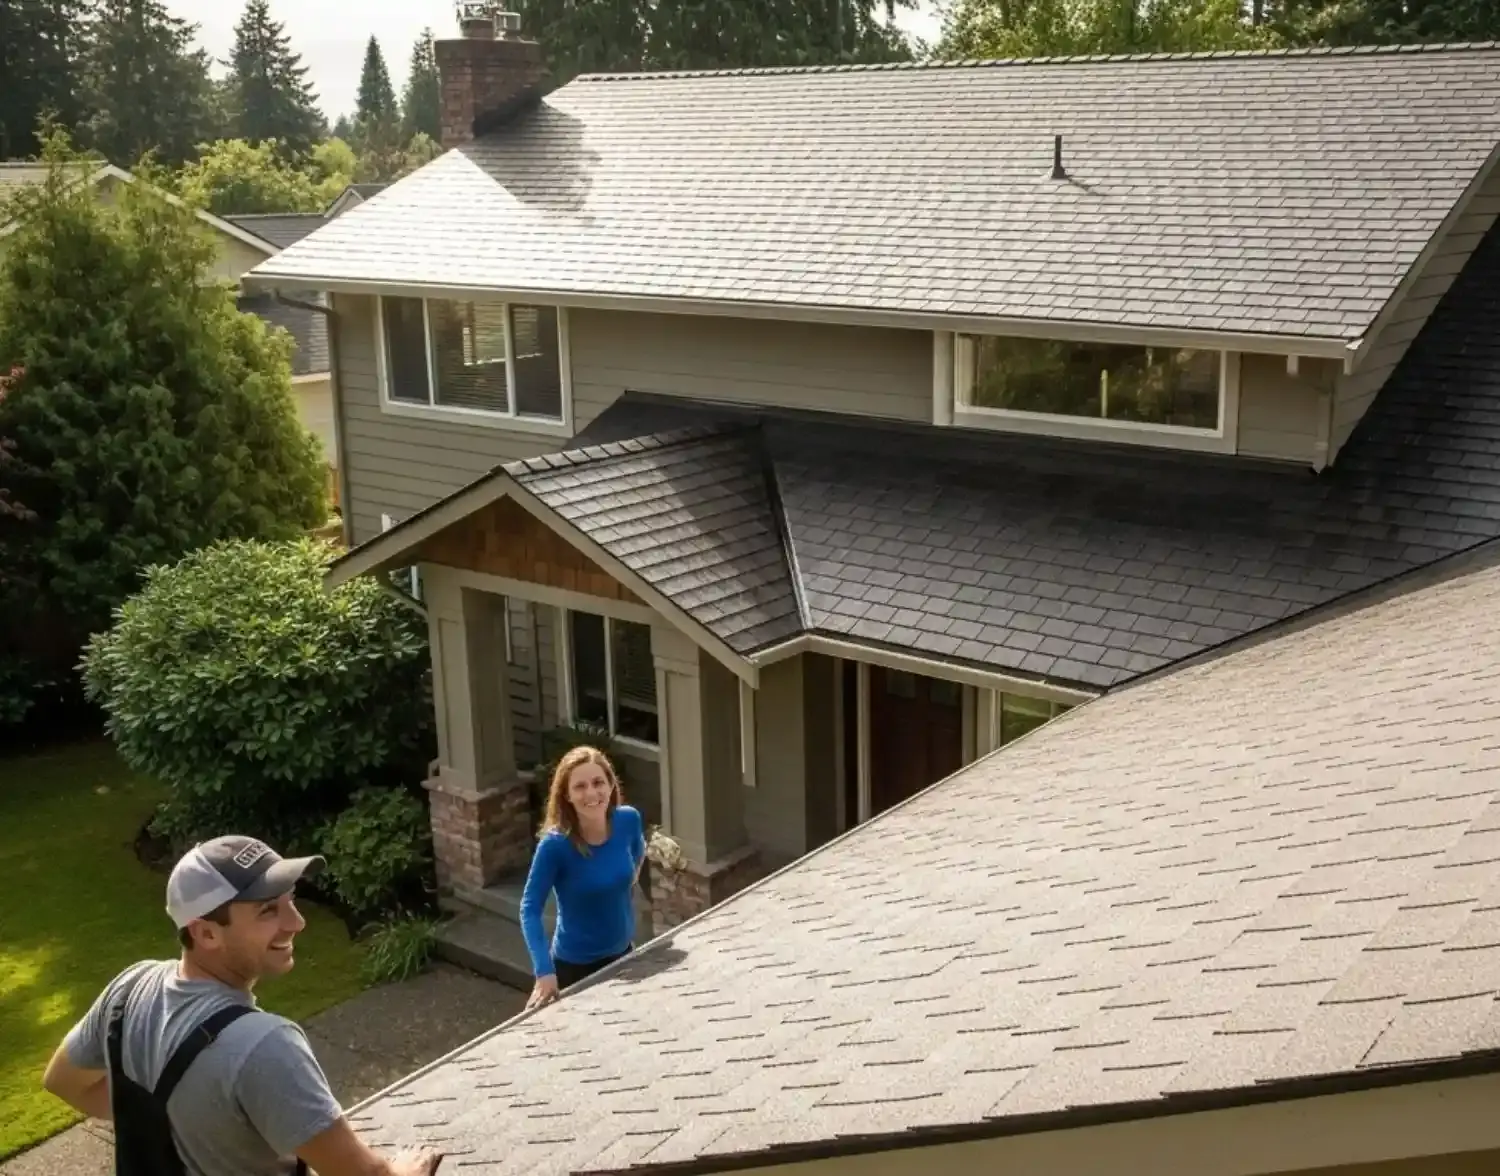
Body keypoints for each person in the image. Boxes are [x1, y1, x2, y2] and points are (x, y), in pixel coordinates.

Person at [41, 834, 443, 1176]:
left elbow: (62, 1081)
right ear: (207, 934)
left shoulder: (129, 989)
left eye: (291, 900)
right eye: (268, 910)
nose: (297, 922)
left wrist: (172, 1123)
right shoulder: (264, 1045)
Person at [521, 746, 646, 1010]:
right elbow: (530, 909)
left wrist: (626, 881)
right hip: (575, 970)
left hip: (624, 958)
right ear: (566, 795)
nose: (591, 793)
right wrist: (544, 971)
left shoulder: (628, 820)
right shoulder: (555, 845)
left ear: (611, 785)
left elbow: (639, 850)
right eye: (579, 786)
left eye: (598, 782)